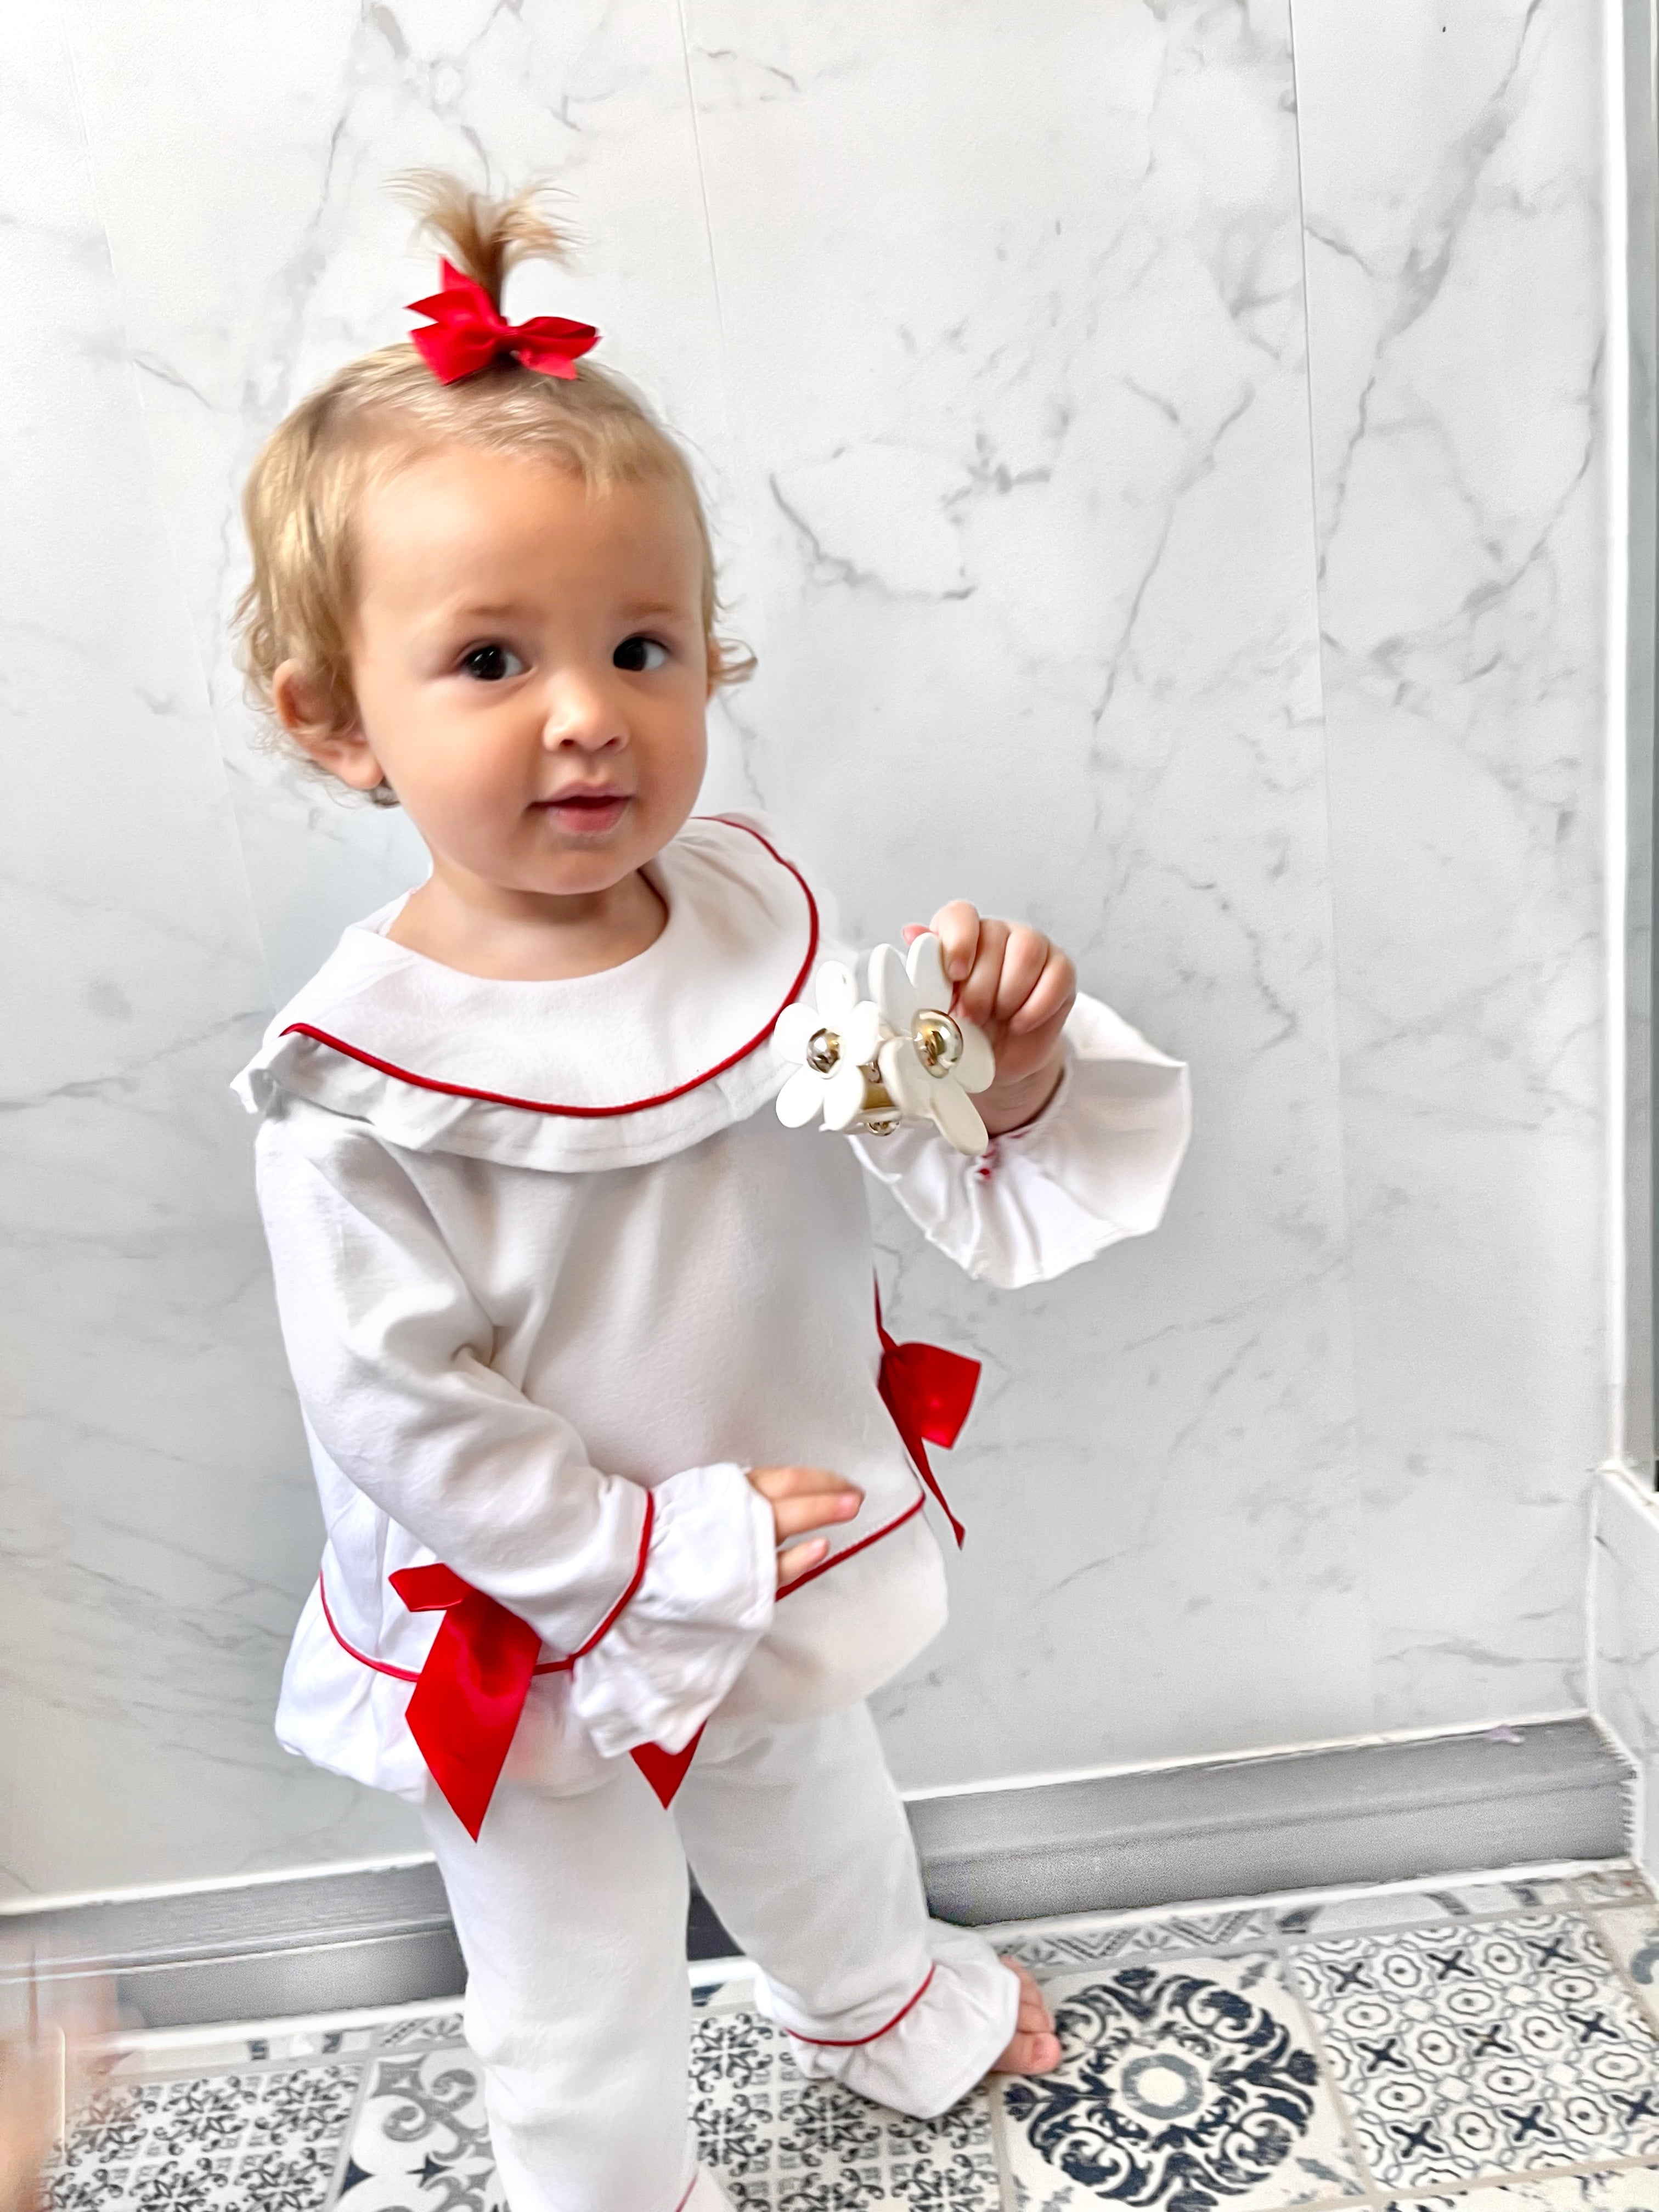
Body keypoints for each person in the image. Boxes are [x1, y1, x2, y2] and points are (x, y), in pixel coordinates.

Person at [232, 173, 1190, 2212]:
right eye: (490, 659)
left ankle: (883, 2010)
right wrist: (639, 1553)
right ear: (338, 723)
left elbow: (874, 1095)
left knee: (815, 1794)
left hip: (777, 1521)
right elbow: (399, 1410)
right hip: (541, 1610)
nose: (589, 711)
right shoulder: (358, 1085)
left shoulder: (743, 915)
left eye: (641, 644)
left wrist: (992, 1069)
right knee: (573, 1982)